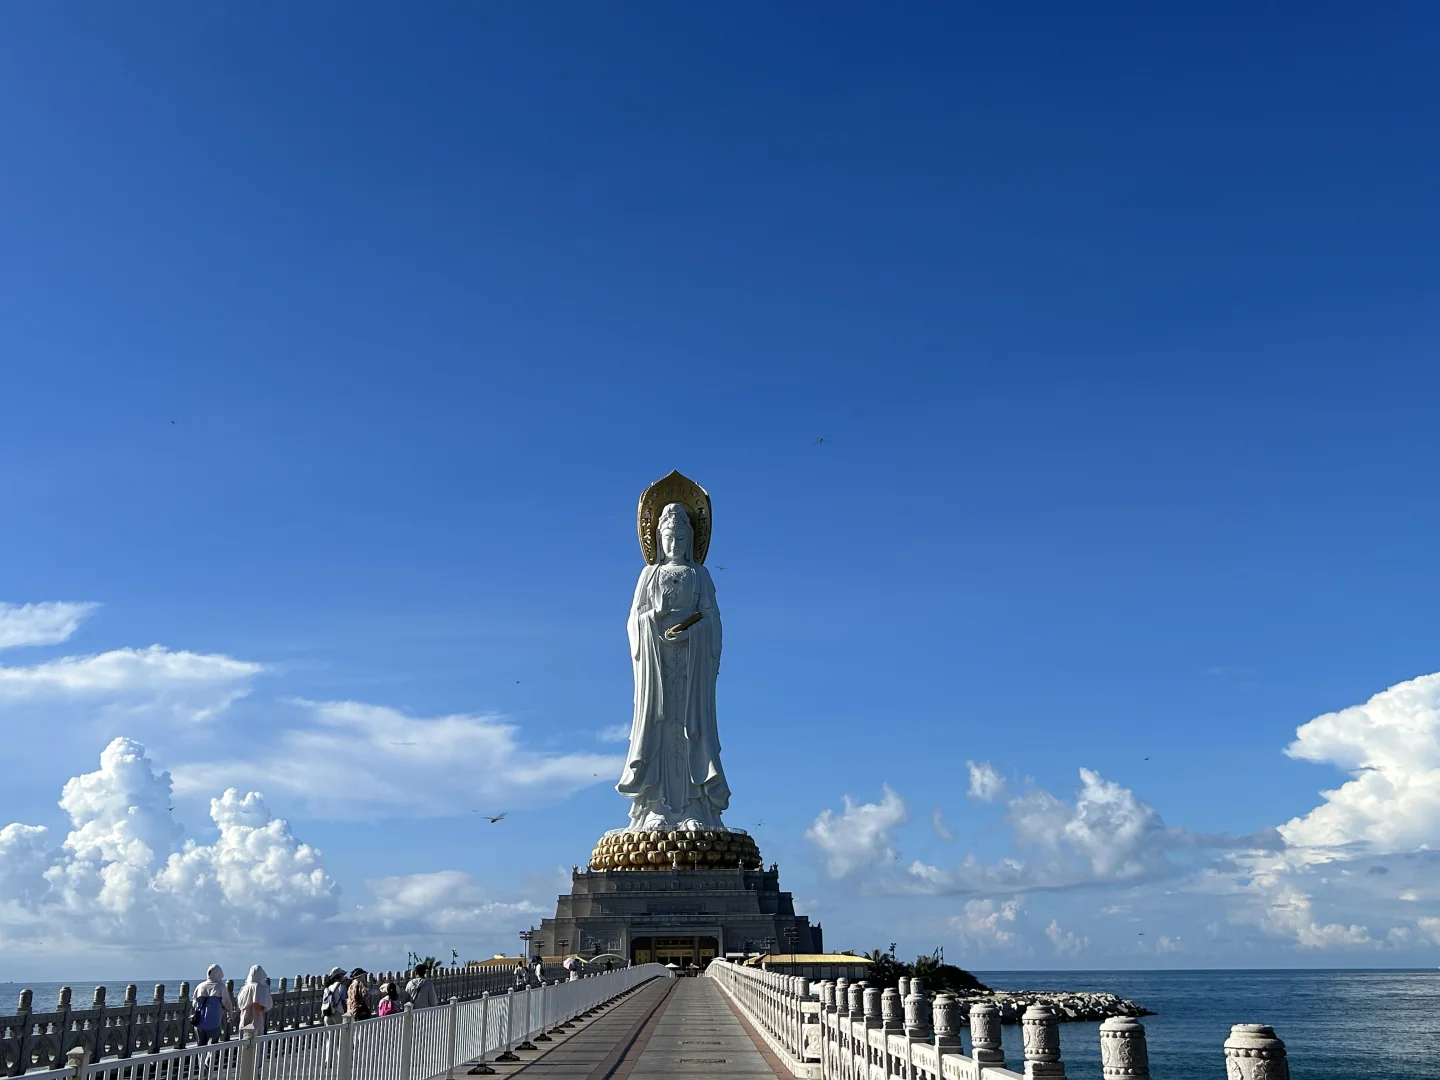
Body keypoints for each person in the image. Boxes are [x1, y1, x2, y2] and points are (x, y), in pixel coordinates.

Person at [192, 964, 236, 1045]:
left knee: (200, 1047)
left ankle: (201, 1058)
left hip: (199, 1023)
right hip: (214, 1023)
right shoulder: (220, 987)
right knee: (213, 1048)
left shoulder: (200, 986)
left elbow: (194, 1003)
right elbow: (228, 1003)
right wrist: (229, 1014)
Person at [236, 966, 273, 1035]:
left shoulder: (244, 988)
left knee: (244, 1042)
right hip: (257, 1021)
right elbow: (267, 1005)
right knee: (257, 1042)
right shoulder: (262, 988)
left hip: (244, 1020)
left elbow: (239, 1004)